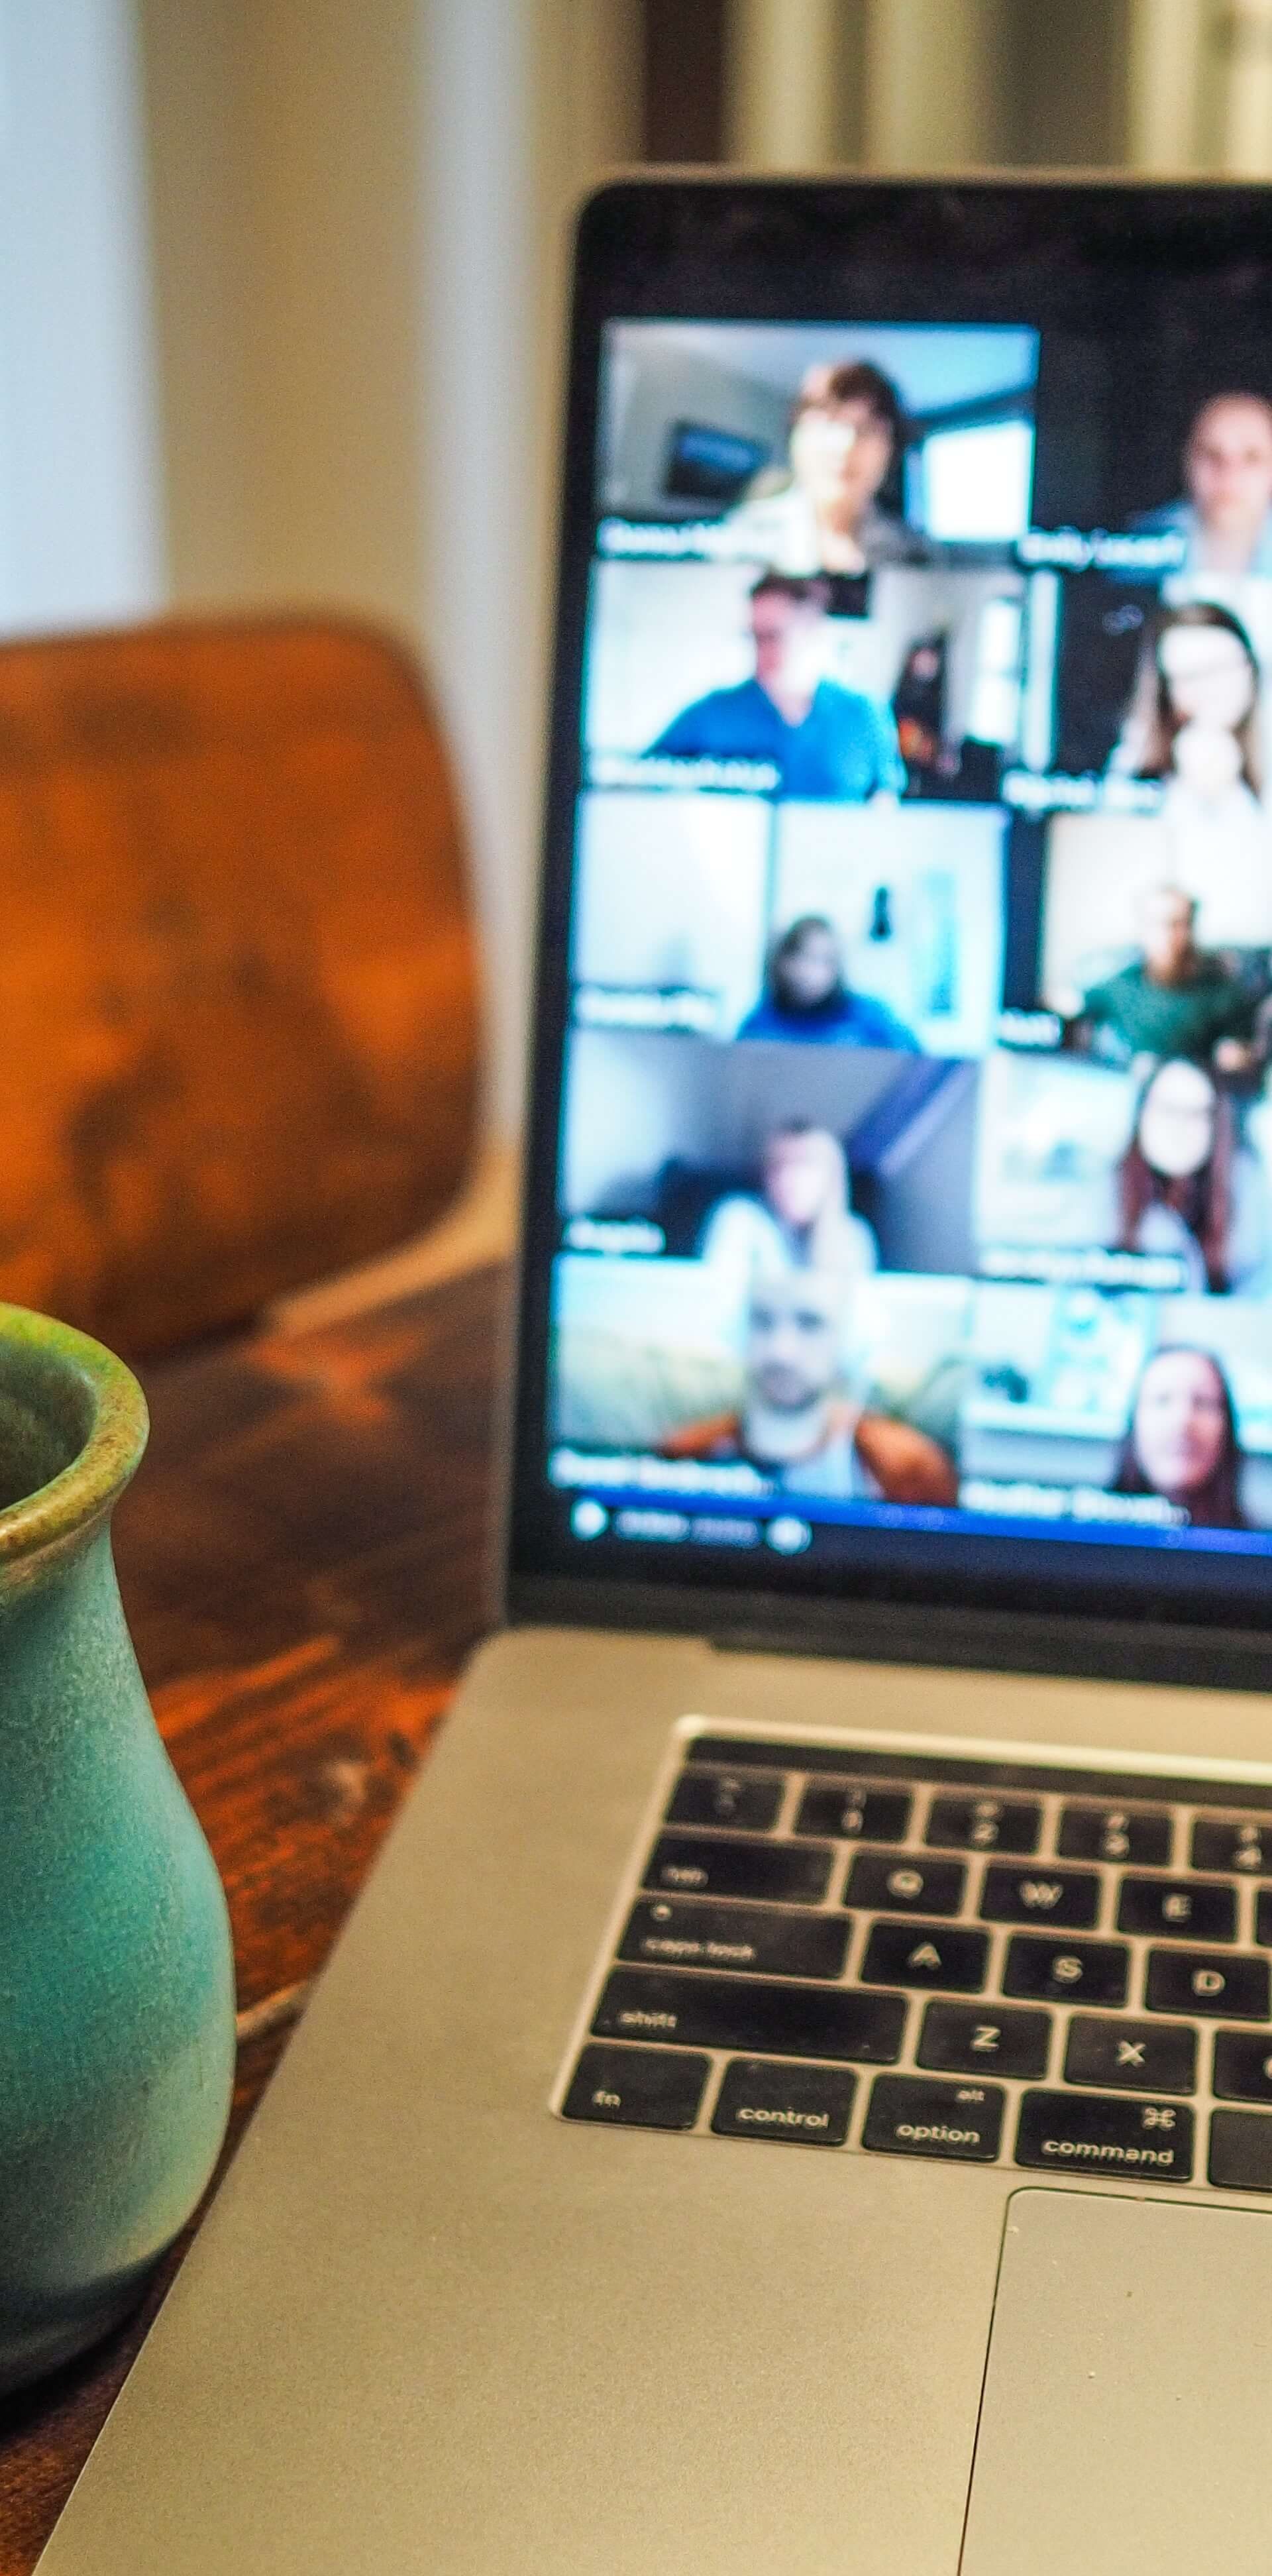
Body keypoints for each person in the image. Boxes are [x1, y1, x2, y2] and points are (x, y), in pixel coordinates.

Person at [660, 1271, 957, 1504]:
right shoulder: (685, 1454)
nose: (781, 1351)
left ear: (849, 1340)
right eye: (762, 1321)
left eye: (809, 1323)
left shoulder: (910, 1470)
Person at [649, 573, 905, 800]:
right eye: (754, 637)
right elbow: (642, 783)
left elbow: (883, 806)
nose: (761, 650)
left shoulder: (864, 714)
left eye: (773, 636)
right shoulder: (710, 715)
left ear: (811, 629)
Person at [719, 360, 928, 574]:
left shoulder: (919, 557)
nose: (846, 445)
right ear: (795, 437)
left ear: (891, 450)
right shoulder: (734, 543)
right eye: (829, 423)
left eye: (866, 429)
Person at [1112, 1058, 1267, 1294]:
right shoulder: (1101, 1196)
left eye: (1196, 1114)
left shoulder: (1247, 1201)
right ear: (1141, 1114)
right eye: (1168, 1109)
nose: (1179, 1127)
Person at [1077, 885, 1257, 1069]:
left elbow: (1243, 1047)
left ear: (1192, 928)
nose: (1168, 934)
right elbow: (1070, 1004)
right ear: (1143, 930)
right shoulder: (1119, 987)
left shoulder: (1224, 994)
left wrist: (1236, 1056)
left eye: (1179, 924)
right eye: (1157, 923)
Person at [1112, 601, 1264, 814]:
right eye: (1189, 676)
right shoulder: (1135, 769)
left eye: (1219, 668)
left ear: (1251, 669)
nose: (1208, 688)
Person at [698, 1122, 879, 1289]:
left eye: (803, 1164)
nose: (787, 1178)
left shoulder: (854, 1235)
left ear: (832, 1176)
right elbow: (718, 1298)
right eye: (777, 1165)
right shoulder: (739, 1218)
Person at [1134, 392, 1272, 576]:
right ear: (1188, 462)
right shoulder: (1137, 543)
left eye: (1251, 457)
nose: (1229, 474)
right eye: (1212, 454)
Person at [1112, 1345, 1248, 1529]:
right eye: (1162, 1399)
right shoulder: (1081, 1534)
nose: (1182, 1421)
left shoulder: (1260, 1548)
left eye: (1203, 1402)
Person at [735, 916, 919, 1049]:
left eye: (825, 960)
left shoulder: (872, 1017)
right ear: (783, 963)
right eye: (804, 957)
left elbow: (919, 1065)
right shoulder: (760, 1023)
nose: (811, 972)